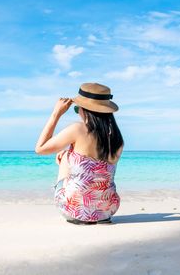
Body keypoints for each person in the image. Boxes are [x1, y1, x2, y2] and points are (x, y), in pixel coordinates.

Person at [35, 83, 124, 224]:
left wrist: (56, 114)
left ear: (85, 110)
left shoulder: (77, 129)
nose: (78, 113)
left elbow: (40, 148)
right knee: (71, 156)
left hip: (74, 210)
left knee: (65, 156)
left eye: (78, 109)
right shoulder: (117, 138)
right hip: (107, 210)